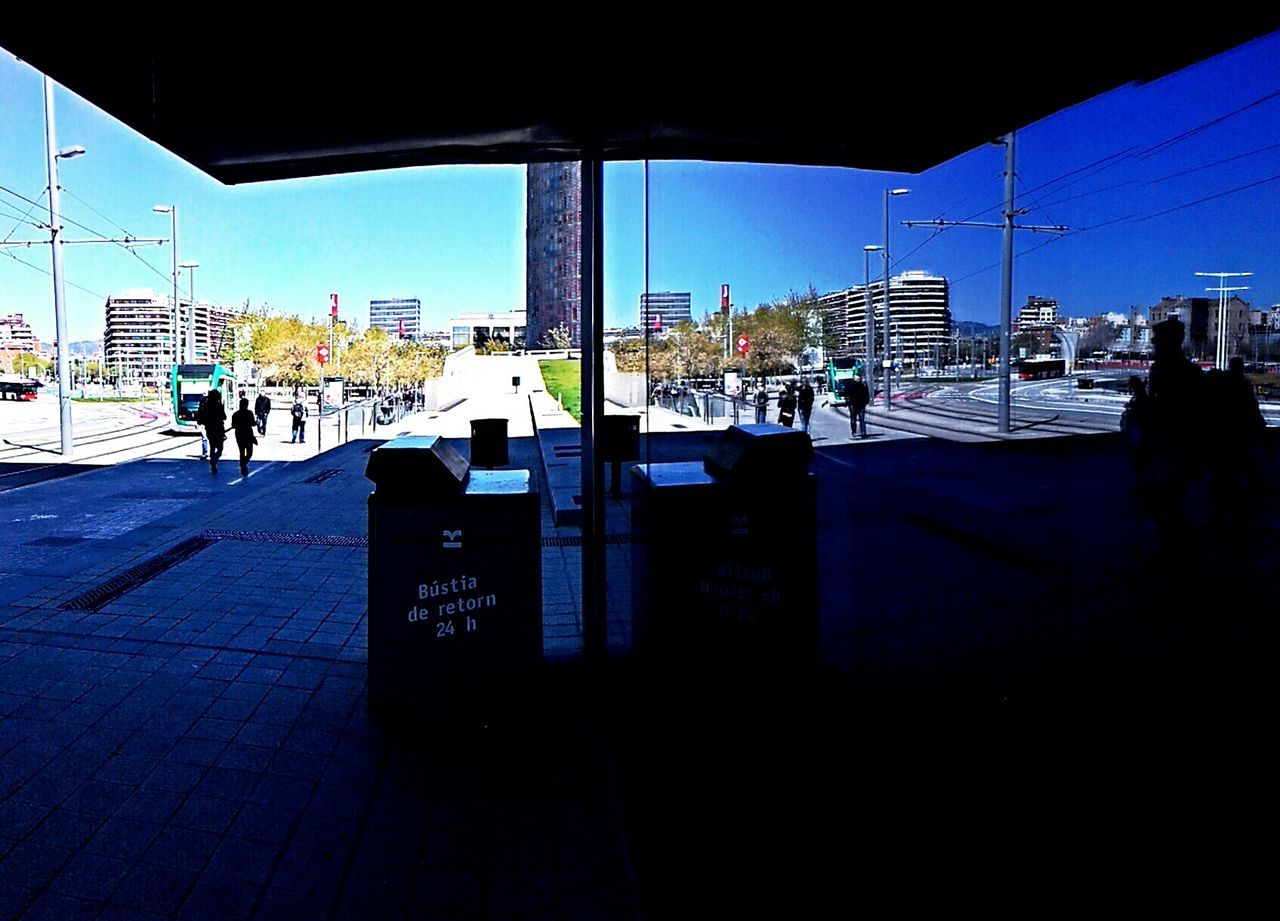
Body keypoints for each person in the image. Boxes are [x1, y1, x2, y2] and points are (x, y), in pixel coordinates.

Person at [195, 389, 226, 473]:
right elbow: (224, 416)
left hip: (209, 428)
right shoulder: (219, 405)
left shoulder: (205, 405)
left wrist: (200, 422)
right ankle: (214, 460)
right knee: (220, 448)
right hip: (218, 429)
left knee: (212, 445)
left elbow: (200, 416)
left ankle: (213, 461)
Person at [230, 397, 258, 477]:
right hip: (248, 434)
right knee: (249, 452)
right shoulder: (249, 413)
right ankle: (243, 464)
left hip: (239, 434)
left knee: (242, 451)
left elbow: (233, 425)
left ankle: (243, 465)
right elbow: (253, 423)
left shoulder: (235, 414)